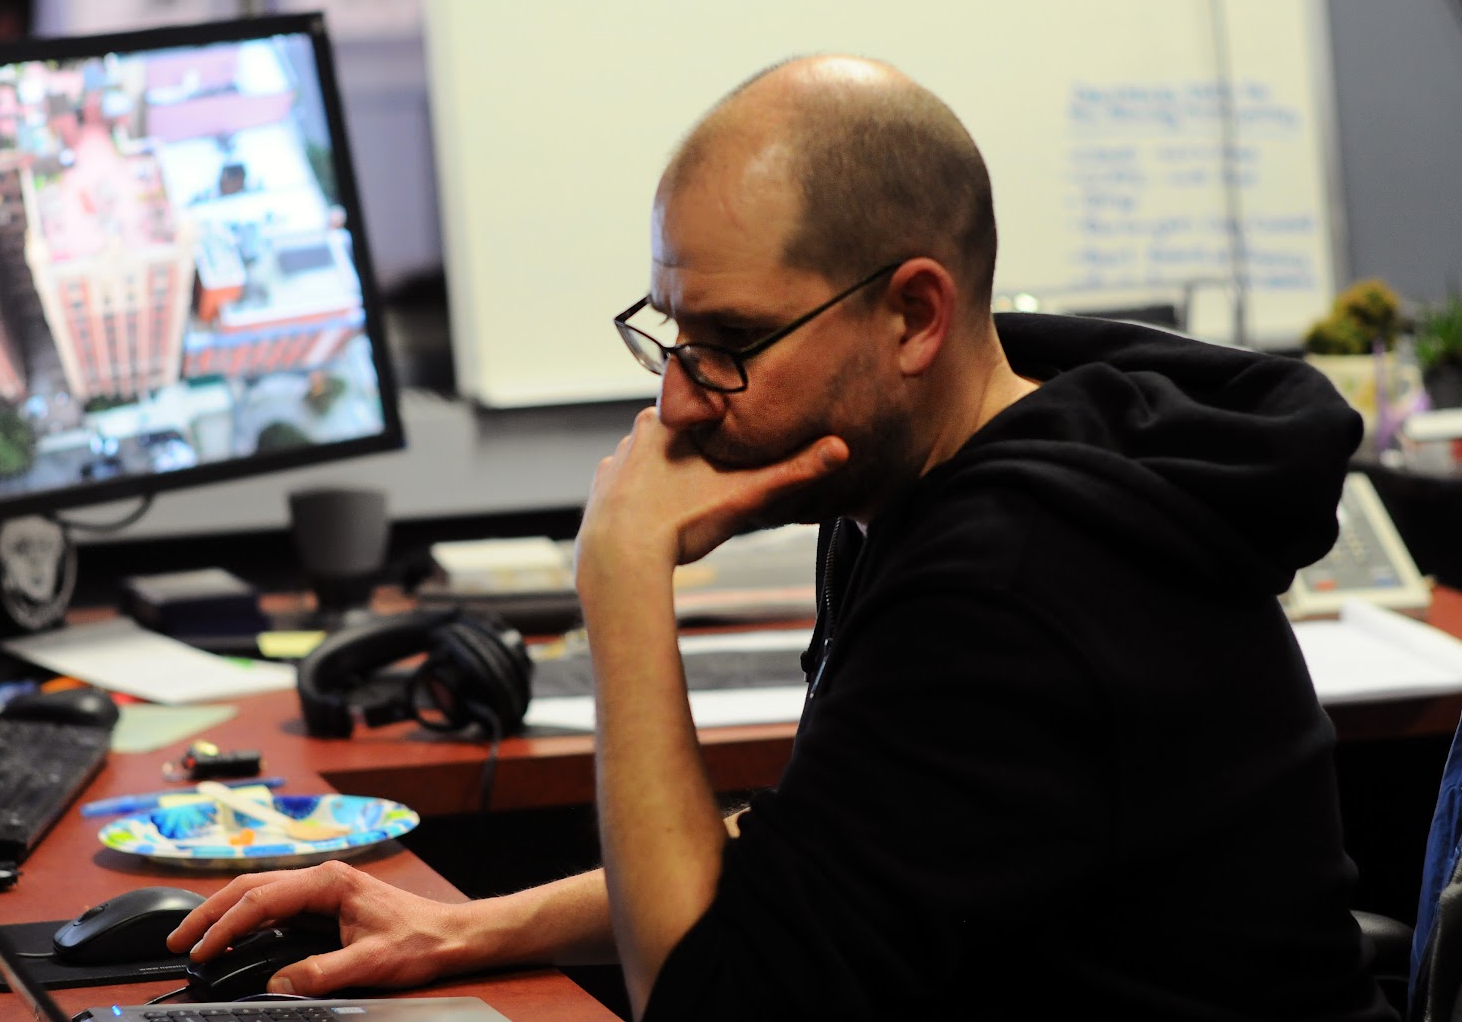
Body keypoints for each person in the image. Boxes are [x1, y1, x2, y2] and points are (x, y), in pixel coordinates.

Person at [169, 56, 1395, 1020]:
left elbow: (710, 1003)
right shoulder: (917, 471)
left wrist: (622, 581)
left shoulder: (1016, 578)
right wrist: (464, 925)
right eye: (672, 332)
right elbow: (833, 849)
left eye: (733, 343)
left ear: (914, 314)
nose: (677, 401)